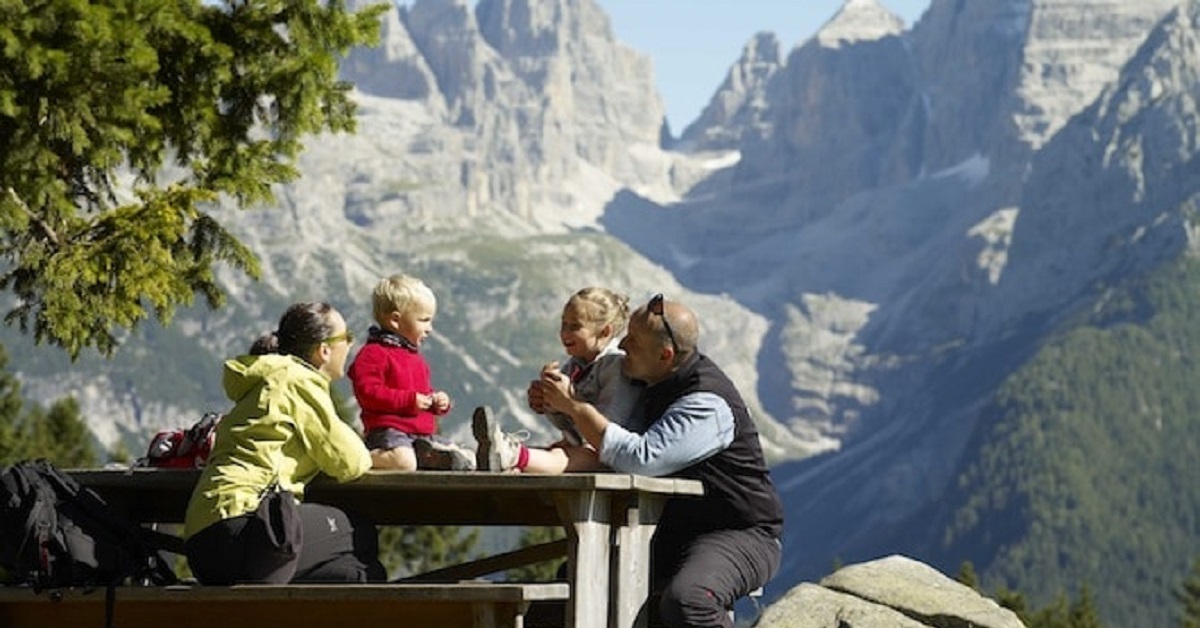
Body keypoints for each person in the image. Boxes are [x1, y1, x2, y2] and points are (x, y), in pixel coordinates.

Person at [535, 293, 784, 628]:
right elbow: (601, 433)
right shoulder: (650, 380)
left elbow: (642, 458)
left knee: (690, 600)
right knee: (570, 588)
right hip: (668, 530)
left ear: (665, 355)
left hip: (738, 533)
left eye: (633, 341)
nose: (622, 345)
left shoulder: (706, 403)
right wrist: (556, 406)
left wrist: (576, 408)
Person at [183, 301, 386, 584]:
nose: (351, 344)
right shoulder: (296, 380)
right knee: (359, 531)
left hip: (203, 544)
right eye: (347, 338)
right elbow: (350, 463)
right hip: (247, 527)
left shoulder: (268, 380)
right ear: (324, 350)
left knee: (358, 574)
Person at [474, 287, 642, 473]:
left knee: (560, 456)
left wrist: (569, 400)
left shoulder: (616, 366)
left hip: (611, 455)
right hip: (582, 445)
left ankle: (511, 456)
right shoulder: (575, 364)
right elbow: (565, 423)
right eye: (563, 325)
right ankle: (486, 460)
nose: (564, 333)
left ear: (604, 332)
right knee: (552, 452)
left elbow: (608, 432)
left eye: (575, 327)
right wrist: (549, 403)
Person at [348, 273, 475, 471]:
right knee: (405, 462)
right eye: (424, 320)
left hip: (421, 435)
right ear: (396, 320)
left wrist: (436, 403)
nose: (429, 329)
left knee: (459, 454)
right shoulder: (373, 353)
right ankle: (356, 457)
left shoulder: (415, 358)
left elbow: (421, 394)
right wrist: (409, 400)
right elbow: (367, 392)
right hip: (389, 431)